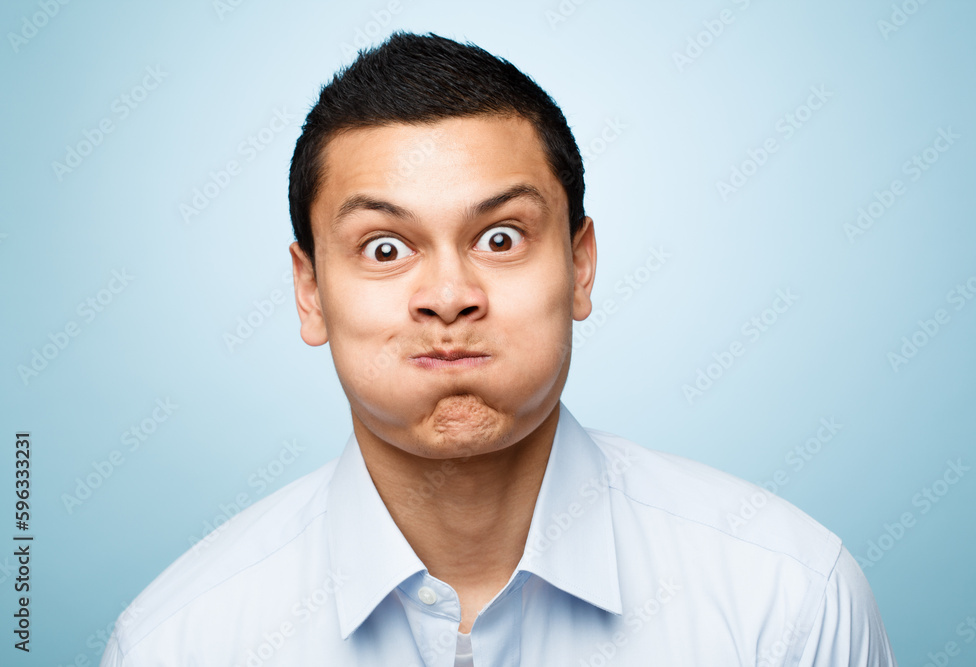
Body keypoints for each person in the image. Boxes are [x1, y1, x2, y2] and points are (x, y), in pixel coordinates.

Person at [100, 31, 897, 666]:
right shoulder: (181, 642)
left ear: (580, 266)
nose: (449, 294)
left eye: (500, 236)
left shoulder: (785, 600)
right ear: (310, 290)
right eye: (384, 247)